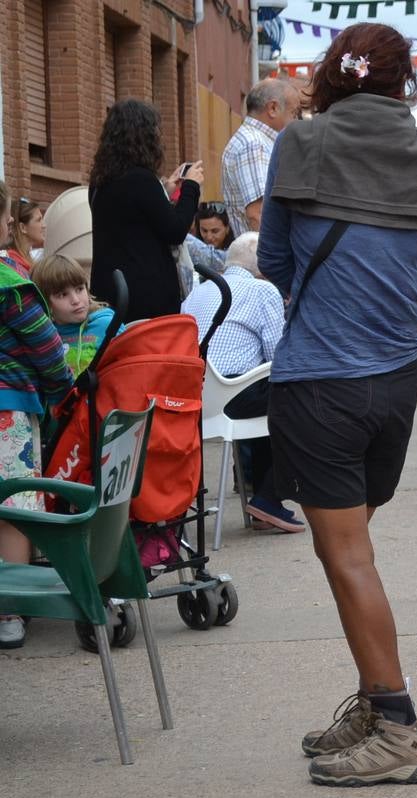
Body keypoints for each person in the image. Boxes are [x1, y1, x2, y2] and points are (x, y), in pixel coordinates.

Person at [257, 23, 417, 786]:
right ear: (402, 81)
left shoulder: (301, 145)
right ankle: (376, 699)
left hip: (321, 381)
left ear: (331, 75)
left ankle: (400, 725)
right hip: (398, 381)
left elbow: (278, 262)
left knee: (346, 559)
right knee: (351, 553)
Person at [181, 232, 302, 534]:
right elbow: (278, 357)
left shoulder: (196, 293)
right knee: (306, 397)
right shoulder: (262, 290)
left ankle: (263, 499)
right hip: (235, 395)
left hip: (195, 397)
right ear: (262, 263)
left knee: (270, 393)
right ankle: (269, 496)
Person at [0, 181, 75, 650]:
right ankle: (11, 608)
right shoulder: (11, 283)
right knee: (12, 511)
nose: (10, 222)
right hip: (7, 412)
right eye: (6, 216)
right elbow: (48, 351)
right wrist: (61, 390)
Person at [89, 100, 204, 322]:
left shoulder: (100, 181)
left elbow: (132, 218)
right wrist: (191, 187)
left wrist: (165, 192)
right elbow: (176, 230)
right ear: (145, 137)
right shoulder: (141, 180)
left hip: (111, 292)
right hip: (146, 298)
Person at [221, 78, 302, 237]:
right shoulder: (254, 144)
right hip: (262, 257)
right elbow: (258, 214)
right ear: (272, 108)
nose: (297, 121)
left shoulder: (254, 140)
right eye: (294, 113)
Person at [30, 253, 115, 377]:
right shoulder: (43, 337)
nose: (75, 300)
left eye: (79, 289)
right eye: (63, 294)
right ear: (45, 302)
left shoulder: (107, 324)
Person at [2, 196, 45, 278]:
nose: (44, 225)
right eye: (39, 220)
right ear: (23, 228)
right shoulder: (11, 263)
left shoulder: (27, 258)